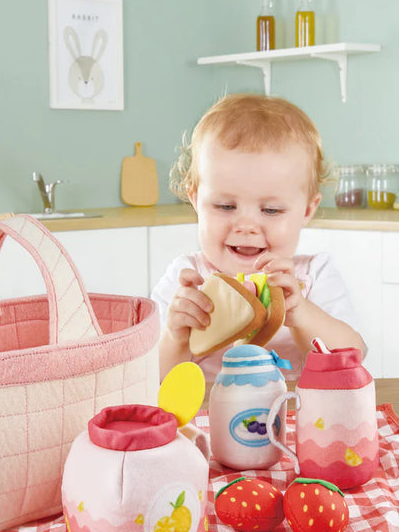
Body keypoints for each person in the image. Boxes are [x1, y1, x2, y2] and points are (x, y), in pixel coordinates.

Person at [151, 93, 365, 381]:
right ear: (195, 200)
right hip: (209, 422)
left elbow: (353, 357)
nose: (247, 226)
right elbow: (150, 381)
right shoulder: (188, 282)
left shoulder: (312, 277)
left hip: (298, 419)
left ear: (307, 210)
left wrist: (302, 314)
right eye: (226, 206)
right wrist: (175, 338)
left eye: (271, 210)